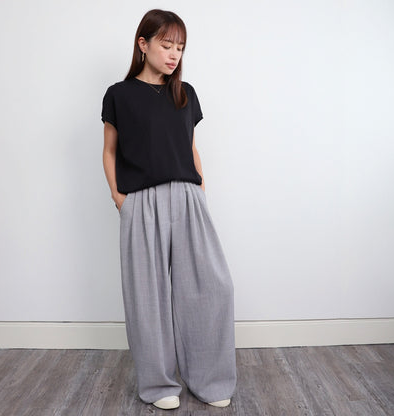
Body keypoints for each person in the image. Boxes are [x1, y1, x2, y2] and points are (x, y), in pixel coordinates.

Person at [101, 8, 237, 410]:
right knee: (148, 297)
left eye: (180, 47)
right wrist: (119, 199)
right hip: (141, 201)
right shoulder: (119, 95)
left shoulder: (185, 93)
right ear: (143, 45)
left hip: (188, 197)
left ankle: (210, 379)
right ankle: (159, 385)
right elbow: (109, 151)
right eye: (166, 45)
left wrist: (200, 191)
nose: (175, 54)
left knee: (212, 288)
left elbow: (190, 147)